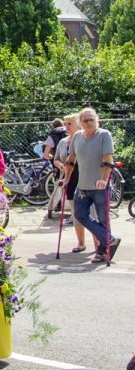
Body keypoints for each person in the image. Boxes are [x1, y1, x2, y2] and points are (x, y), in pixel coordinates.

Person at [59, 108, 121, 263]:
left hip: (99, 186)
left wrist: (104, 180)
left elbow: (108, 159)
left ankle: (102, 251)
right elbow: (71, 160)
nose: (89, 123)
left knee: (102, 220)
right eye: (85, 120)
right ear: (80, 123)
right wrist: (66, 179)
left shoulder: (104, 135)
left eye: (92, 119)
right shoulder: (77, 137)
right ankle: (110, 239)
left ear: (97, 120)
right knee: (79, 214)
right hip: (82, 186)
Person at [52, 113, 98, 252]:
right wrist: (60, 166)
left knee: (92, 213)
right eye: (65, 124)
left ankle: (98, 244)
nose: (66, 127)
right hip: (70, 180)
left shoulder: (85, 139)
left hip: (86, 180)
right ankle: (80, 243)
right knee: (76, 213)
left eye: (69, 124)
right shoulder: (63, 142)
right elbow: (56, 159)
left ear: (78, 124)